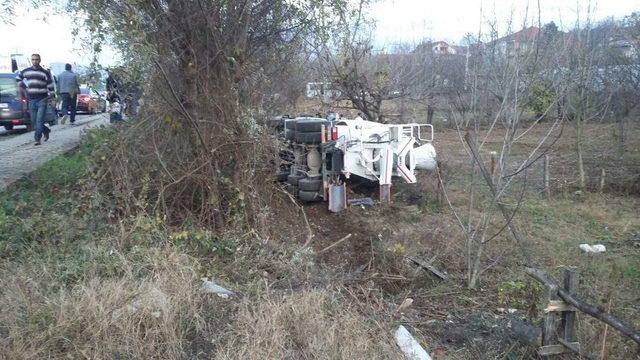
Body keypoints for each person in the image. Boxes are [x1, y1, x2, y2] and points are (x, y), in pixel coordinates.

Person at [16, 53, 54, 145]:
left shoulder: (45, 72)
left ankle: (37, 138)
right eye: (33, 59)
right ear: (31, 60)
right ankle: (46, 130)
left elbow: (50, 85)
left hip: (42, 99)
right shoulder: (26, 71)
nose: (35, 61)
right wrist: (25, 87)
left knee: (39, 120)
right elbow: (18, 78)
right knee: (34, 120)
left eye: (36, 59)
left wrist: (52, 98)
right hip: (31, 99)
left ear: (40, 60)